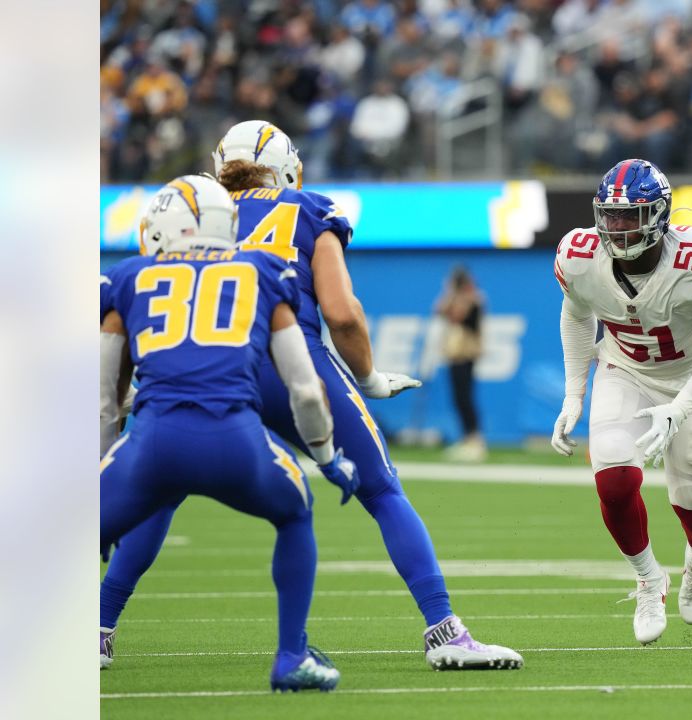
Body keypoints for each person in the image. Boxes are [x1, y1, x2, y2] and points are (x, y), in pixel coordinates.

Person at [100, 122, 523, 671]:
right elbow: (342, 313)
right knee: (381, 490)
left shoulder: (191, 215)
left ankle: (101, 625)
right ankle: (443, 629)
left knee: (160, 488)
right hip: (286, 354)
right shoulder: (305, 208)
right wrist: (368, 378)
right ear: (288, 169)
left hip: (205, 365)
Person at [100, 175, 357, 690]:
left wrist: (103, 479)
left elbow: (104, 400)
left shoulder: (126, 278)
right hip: (236, 441)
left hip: (152, 443)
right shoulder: (264, 271)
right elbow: (304, 389)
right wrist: (329, 458)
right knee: (294, 513)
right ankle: (290, 657)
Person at [550, 159, 692, 645]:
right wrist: (574, 392)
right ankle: (648, 579)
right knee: (614, 480)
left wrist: (680, 407)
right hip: (624, 370)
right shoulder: (579, 255)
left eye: (630, 216)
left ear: (658, 214)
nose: (618, 228)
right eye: (610, 216)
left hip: (689, 380)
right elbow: (576, 317)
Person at [436, 266, 487, 462]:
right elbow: (439, 310)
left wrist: (459, 293)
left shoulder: (475, 300)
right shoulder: (453, 297)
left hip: (467, 354)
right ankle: (467, 438)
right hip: (454, 355)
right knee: (458, 398)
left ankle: (475, 439)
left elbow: (458, 315)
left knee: (466, 397)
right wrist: (450, 292)